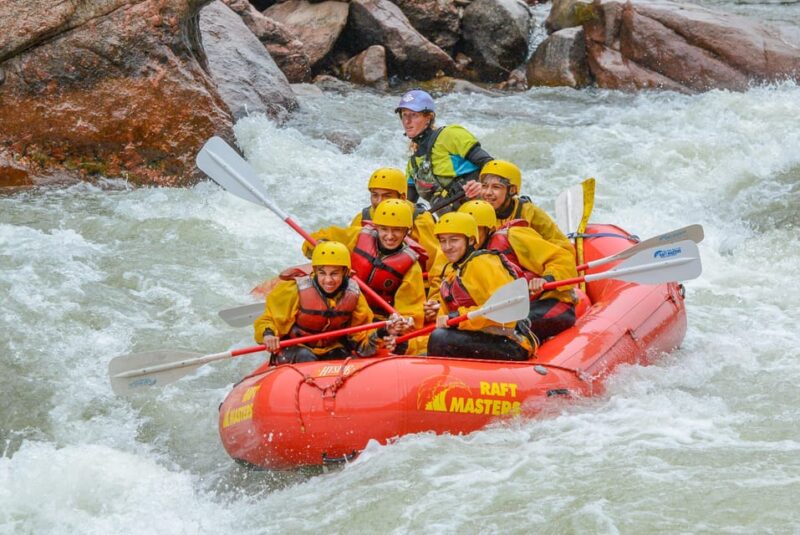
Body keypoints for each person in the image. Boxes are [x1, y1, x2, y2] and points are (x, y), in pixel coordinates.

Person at [306, 200, 426, 353]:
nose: (389, 236)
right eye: (384, 229)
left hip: (373, 320)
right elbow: (324, 238)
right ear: (376, 227)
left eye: (396, 230)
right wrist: (314, 247)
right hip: (340, 307)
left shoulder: (411, 266)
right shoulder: (357, 236)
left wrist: (404, 322)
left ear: (406, 231)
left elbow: (411, 310)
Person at [254, 241, 403, 364]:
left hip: (332, 348)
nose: (328, 280)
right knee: (306, 358)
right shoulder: (294, 290)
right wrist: (268, 334)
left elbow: (362, 341)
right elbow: (269, 319)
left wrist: (383, 331)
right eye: (322, 273)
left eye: (335, 273)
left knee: (341, 358)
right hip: (297, 346)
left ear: (345, 273)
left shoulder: (354, 294)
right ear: (315, 271)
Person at [457, 200, 578, 341]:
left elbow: (562, 257)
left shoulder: (512, 237)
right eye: (464, 231)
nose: (470, 235)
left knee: (507, 326)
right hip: (508, 310)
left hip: (548, 302)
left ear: (489, 229)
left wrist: (547, 278)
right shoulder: (460, 256)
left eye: (475, 229)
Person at [423, 212, 537, 361]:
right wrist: (406, 346)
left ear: (470, 240)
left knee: (440, 338)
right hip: (482, 339)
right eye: (443, 241)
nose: (447, 247)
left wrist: (458, 318)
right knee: (434, 341)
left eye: (454, 240)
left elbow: (505, 309)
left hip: (513, 344)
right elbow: (442, 324)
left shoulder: (484, 263)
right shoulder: (451, 276)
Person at [303, 167, 438, 271]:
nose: (379, 202)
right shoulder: (364, 217)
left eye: (386, 196)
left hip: (408, 282)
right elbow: (343, 239)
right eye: (375, 195)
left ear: (402, 198)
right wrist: (316, 245)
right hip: (369, 280)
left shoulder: (420, 219)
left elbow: (433, 261)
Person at [396, 89, 491, 212]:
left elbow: (491, 164)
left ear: (428, 118)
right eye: (404, 115)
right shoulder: (413, 166)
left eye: (414, 115)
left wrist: (483, 185)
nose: (407, 121)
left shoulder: (450, 134)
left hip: (481, 211)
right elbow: (406, 206)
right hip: (451, 225)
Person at [478, 159, 575, 257]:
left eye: (496, 187)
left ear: (511, 190)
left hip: (523, 266)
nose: (488, 193)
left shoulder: (529, 212)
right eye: (484, 186)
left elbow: (563, 247)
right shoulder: (475, 212)